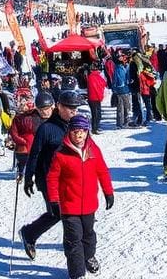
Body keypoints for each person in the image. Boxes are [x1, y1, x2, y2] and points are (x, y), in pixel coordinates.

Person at [45, 115, 114, 279]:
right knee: (73, 239)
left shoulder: (93, 150)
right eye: (75, 132)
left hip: (89, 204)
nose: (79, 135)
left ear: (87, 132)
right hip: (69, 206)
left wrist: (108, 192)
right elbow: (52, 178)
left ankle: (89, 256)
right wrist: (54, 200)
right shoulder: (61, 153)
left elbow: (102, 171)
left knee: (88, 234)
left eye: (82, 132)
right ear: (70, 132)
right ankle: (77, 273)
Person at [20, 90, 82, 261]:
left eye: (75, 108)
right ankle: (30, 233)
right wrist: (28, 178)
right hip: (48, 179)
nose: (73, 111)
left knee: (72, 212)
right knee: (58, 213)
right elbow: (34, 155)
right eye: (70, 108)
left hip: (69, 178)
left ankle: (78, 246)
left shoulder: (75, 126)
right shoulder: (46, 129)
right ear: (60, 107)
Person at [10, 94, 50, 179]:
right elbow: (13, 132)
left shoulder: (36, 116)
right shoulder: (17, 119)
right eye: (22, 106)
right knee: (23, 159)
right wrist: (21, 141)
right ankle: (21, 171)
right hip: (23, 145)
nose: (24, 108)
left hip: (35, 144)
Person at [109, 53, 132, 128]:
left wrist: (114, 89)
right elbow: (121, 80)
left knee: (120, 108)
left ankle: (120, 123)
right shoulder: (121, 69)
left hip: (120, 90)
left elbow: (114, 81)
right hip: (124, 90)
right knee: (125, 107)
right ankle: (125, 122)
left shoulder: (117, 69)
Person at [86, 67, 106, 134]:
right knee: (97, 114)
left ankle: (95, 127)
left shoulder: (90, 77)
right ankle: (95, 128)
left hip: (91, 98)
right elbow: (104, 83)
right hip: (96, 98)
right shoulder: (97, 77)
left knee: (94, 114)